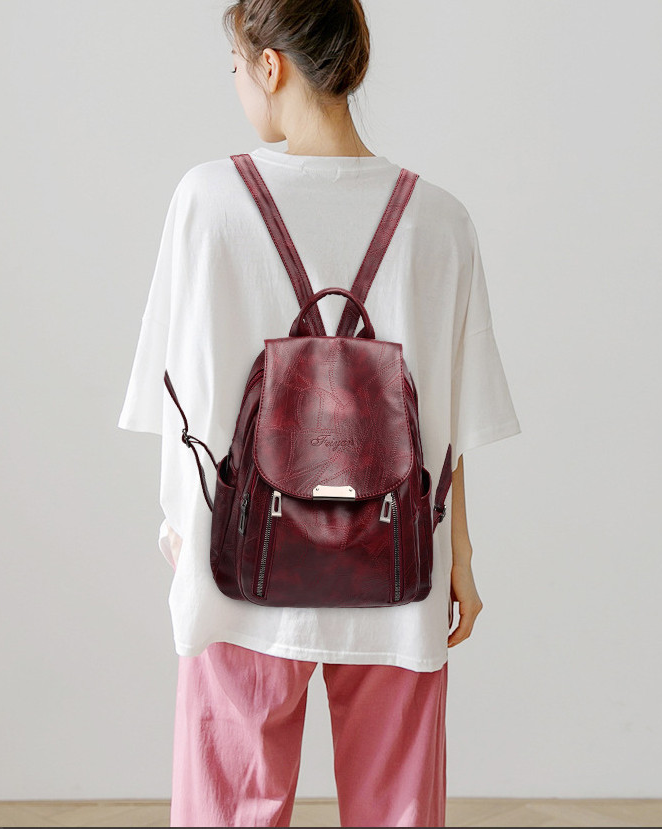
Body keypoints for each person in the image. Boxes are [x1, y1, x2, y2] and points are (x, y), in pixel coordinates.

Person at [117, 1, 521, 826]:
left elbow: (178, 387)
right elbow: (446, 422)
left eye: (235, 67)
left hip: (242, 564)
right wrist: (460, 556)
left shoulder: (207, 200)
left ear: (269, 66)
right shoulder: (440, 219)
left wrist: (180, 534)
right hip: (396, 567)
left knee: (228, 810)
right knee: (397, 807)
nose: (237, 84)